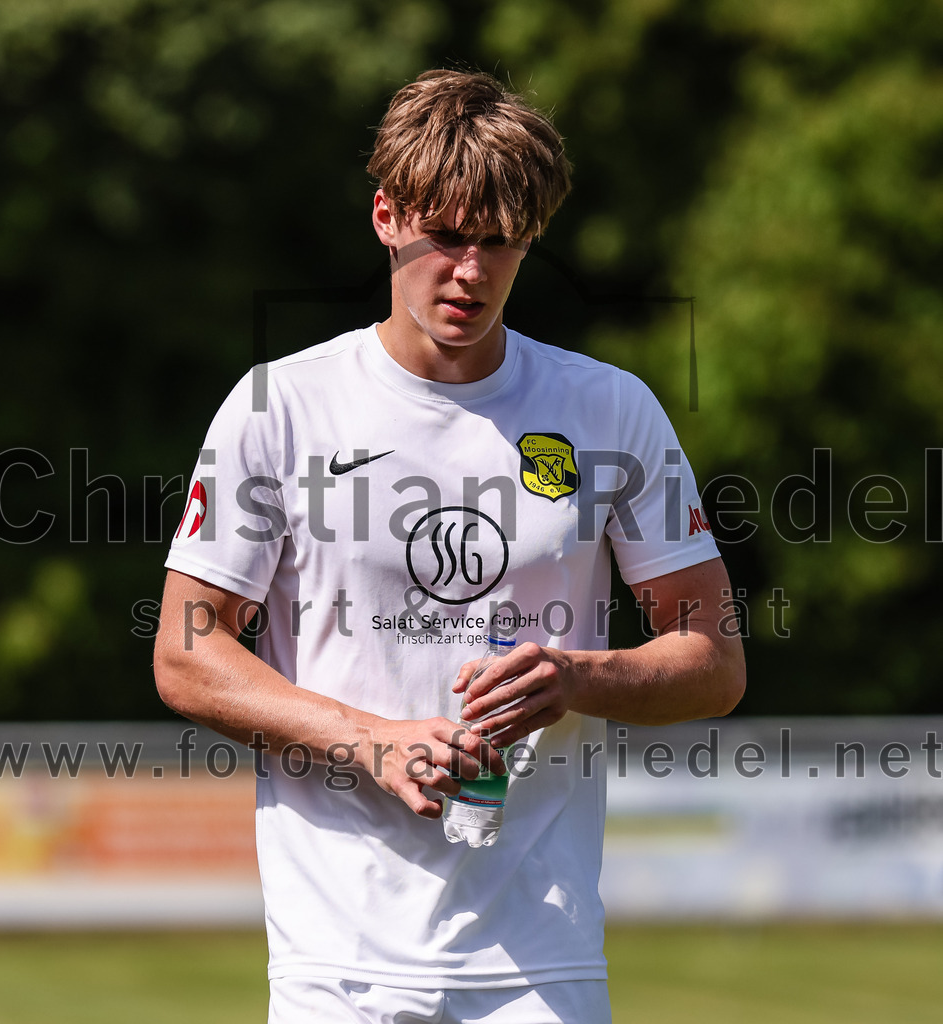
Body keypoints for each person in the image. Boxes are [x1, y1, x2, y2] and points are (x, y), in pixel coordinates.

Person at [154, 68, 745, 1024]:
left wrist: (576, 679)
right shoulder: (282, 404)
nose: (470, 271)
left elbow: (713, 661)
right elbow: (187, 651)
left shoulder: (608, 409)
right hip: (335, 964)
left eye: (500, 242)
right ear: (388, 216)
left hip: (539, 965)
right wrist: (374, 743)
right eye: (448, 235)